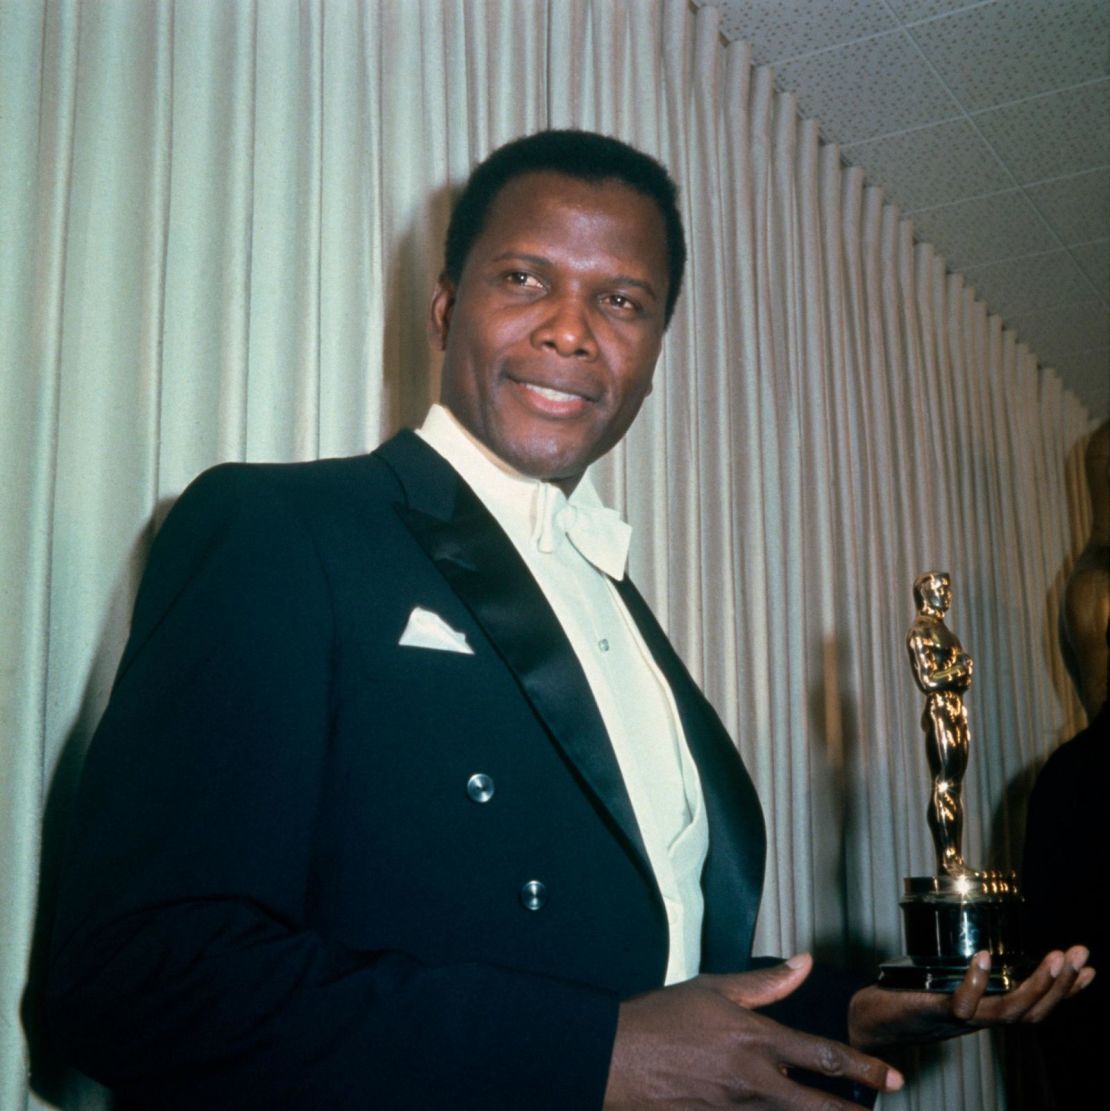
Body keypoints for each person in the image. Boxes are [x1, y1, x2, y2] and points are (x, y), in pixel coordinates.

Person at [44, 131, 1092, 1110]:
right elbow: (130, 978)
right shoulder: (279, 529)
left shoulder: (624, 615)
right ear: (446, 309)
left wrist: (851, 1013)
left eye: (622, 299)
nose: (570, 327)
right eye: (524, 278)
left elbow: (649, 981)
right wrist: (585, 1054)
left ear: (654, 352)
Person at [907, 571, 974, 876]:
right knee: (945, 784)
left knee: (954, 786)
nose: (947, 594)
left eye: (948, 588)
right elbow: (927, 679)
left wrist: (960, 672)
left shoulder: (945, 631)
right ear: (925, 592)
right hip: (940, 709)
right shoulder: (920, 631)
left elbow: (959, 677)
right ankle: (947, 860)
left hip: (956, 708)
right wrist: (958, 668)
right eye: (941, 589)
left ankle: (954, 857)